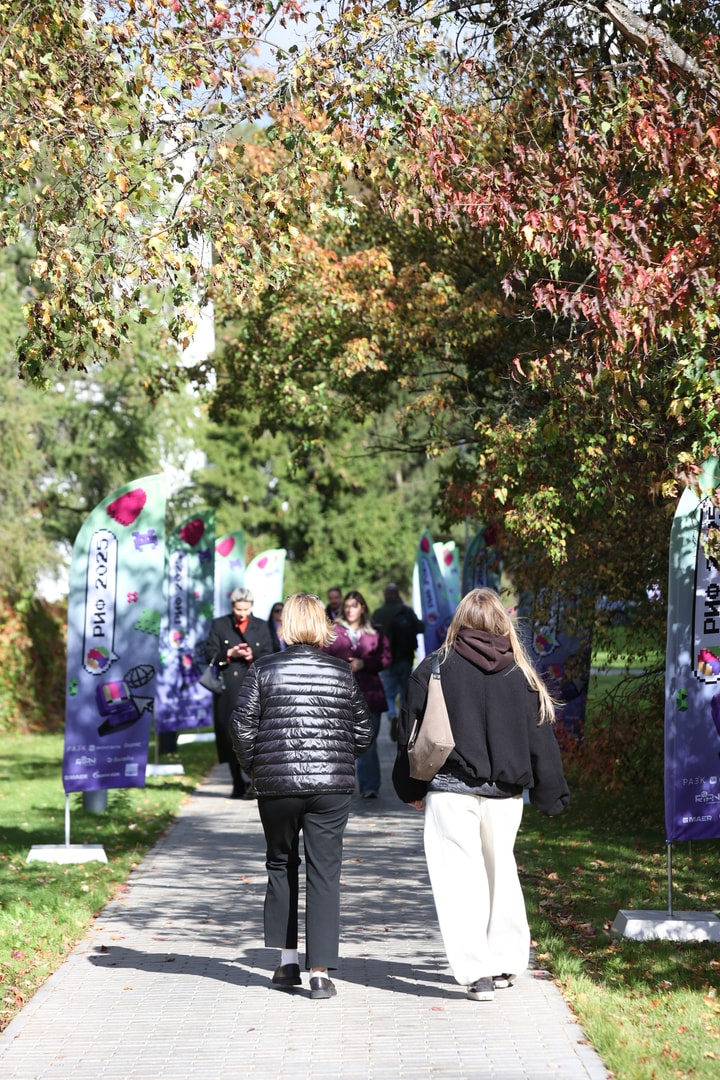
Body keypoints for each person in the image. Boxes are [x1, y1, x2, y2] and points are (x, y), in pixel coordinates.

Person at [392, 588, 569, 1003]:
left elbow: (410, 733)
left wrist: (410, 788)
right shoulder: (521, 674)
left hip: (450, 791)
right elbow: (541, 739)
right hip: (505, 795)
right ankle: (505, 962)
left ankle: (477, 974)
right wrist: (552, 793)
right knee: (501, 873)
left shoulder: (436, 667)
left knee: (460, 880)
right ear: (503, 623)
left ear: (460, 621)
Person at [231, 593, 373, 1000]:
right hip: (331, 786)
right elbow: (363, 731)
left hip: (277, 786)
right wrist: (338, 758)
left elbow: (241, 727)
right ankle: (320, 975)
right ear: (323, 625)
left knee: (281, 863)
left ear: (286, 624)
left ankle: (286, 962)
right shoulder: (341, 672)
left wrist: (257, 767)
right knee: (324, 873)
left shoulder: (263, 669)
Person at [205, 587, 276, 798]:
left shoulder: (261, 626)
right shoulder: (220, 624)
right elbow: (209, 652)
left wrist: (252, 654)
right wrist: (229, 653)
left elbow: (271, 653)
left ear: (252, 606)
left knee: (257, 733)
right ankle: (237, 782)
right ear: (232, 606)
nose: (243, 613)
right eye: (238, 609)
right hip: (228, 688)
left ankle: (254, 781)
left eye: (246, 609)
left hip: (255, 685)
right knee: (231, 735)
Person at [323, 590, 391, 799]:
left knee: (368, 741)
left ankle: (369, 785)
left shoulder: (375, 632)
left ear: (362, 607)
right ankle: (337, 784)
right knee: (340, 741)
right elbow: (323, 657)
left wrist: (365, 663)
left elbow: (386, 657)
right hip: (340, 693)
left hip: (370, 694)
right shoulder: (334, 631)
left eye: (354, 606)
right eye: (347, 606)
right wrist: (342, 666)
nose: (350, 610)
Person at [372, 582, 424, 741]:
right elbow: (421, 628)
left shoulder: (379, 613)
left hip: (386, 660)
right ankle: (402, 723)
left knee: (388, 693)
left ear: (385, 595)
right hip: (405, 659)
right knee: (404, 693)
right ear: (398, 594)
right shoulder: (406, 611)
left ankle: (391, 715)